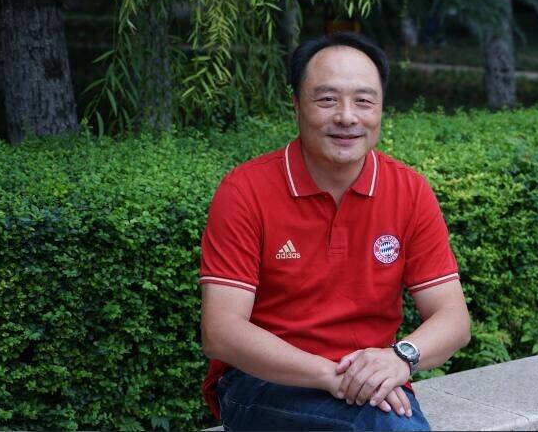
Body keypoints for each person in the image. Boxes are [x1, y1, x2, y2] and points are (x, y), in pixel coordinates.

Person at [199, 32, 471, 431]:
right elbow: (221, 332)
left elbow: (453, 317)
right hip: (261, 383)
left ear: (381, 108)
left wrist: (400, 357)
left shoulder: (409, 191)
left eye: (363, 101)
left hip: (370, 379)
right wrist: (332, 376)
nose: (347, 116)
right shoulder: (245, 191)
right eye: (327, 99)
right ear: (296, 105)